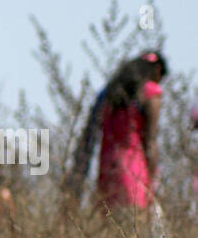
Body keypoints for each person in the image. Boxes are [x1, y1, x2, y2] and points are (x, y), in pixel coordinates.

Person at [66, 51, 168, 213]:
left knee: (110, 229)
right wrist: (154, 179)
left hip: (107, 169)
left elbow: (89, 137)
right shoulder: (151, 92)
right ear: (157, 70)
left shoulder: (107, 94)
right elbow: (150, 141)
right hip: (134, 170)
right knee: (134, 230)